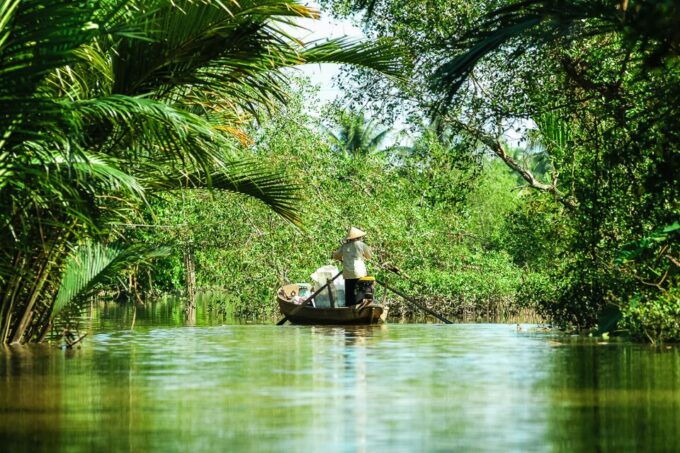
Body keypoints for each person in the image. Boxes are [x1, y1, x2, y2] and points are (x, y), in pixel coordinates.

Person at [332, 227, 373, 306]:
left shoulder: (344, 246)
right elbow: (369, 256)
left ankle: (349, 306)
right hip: (360, 273)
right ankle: (359, 305)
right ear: (359, 237)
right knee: (360, 289)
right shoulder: (361, 245)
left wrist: (341, 257)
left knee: (349, 291)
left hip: (348, 273)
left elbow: (336, 256)